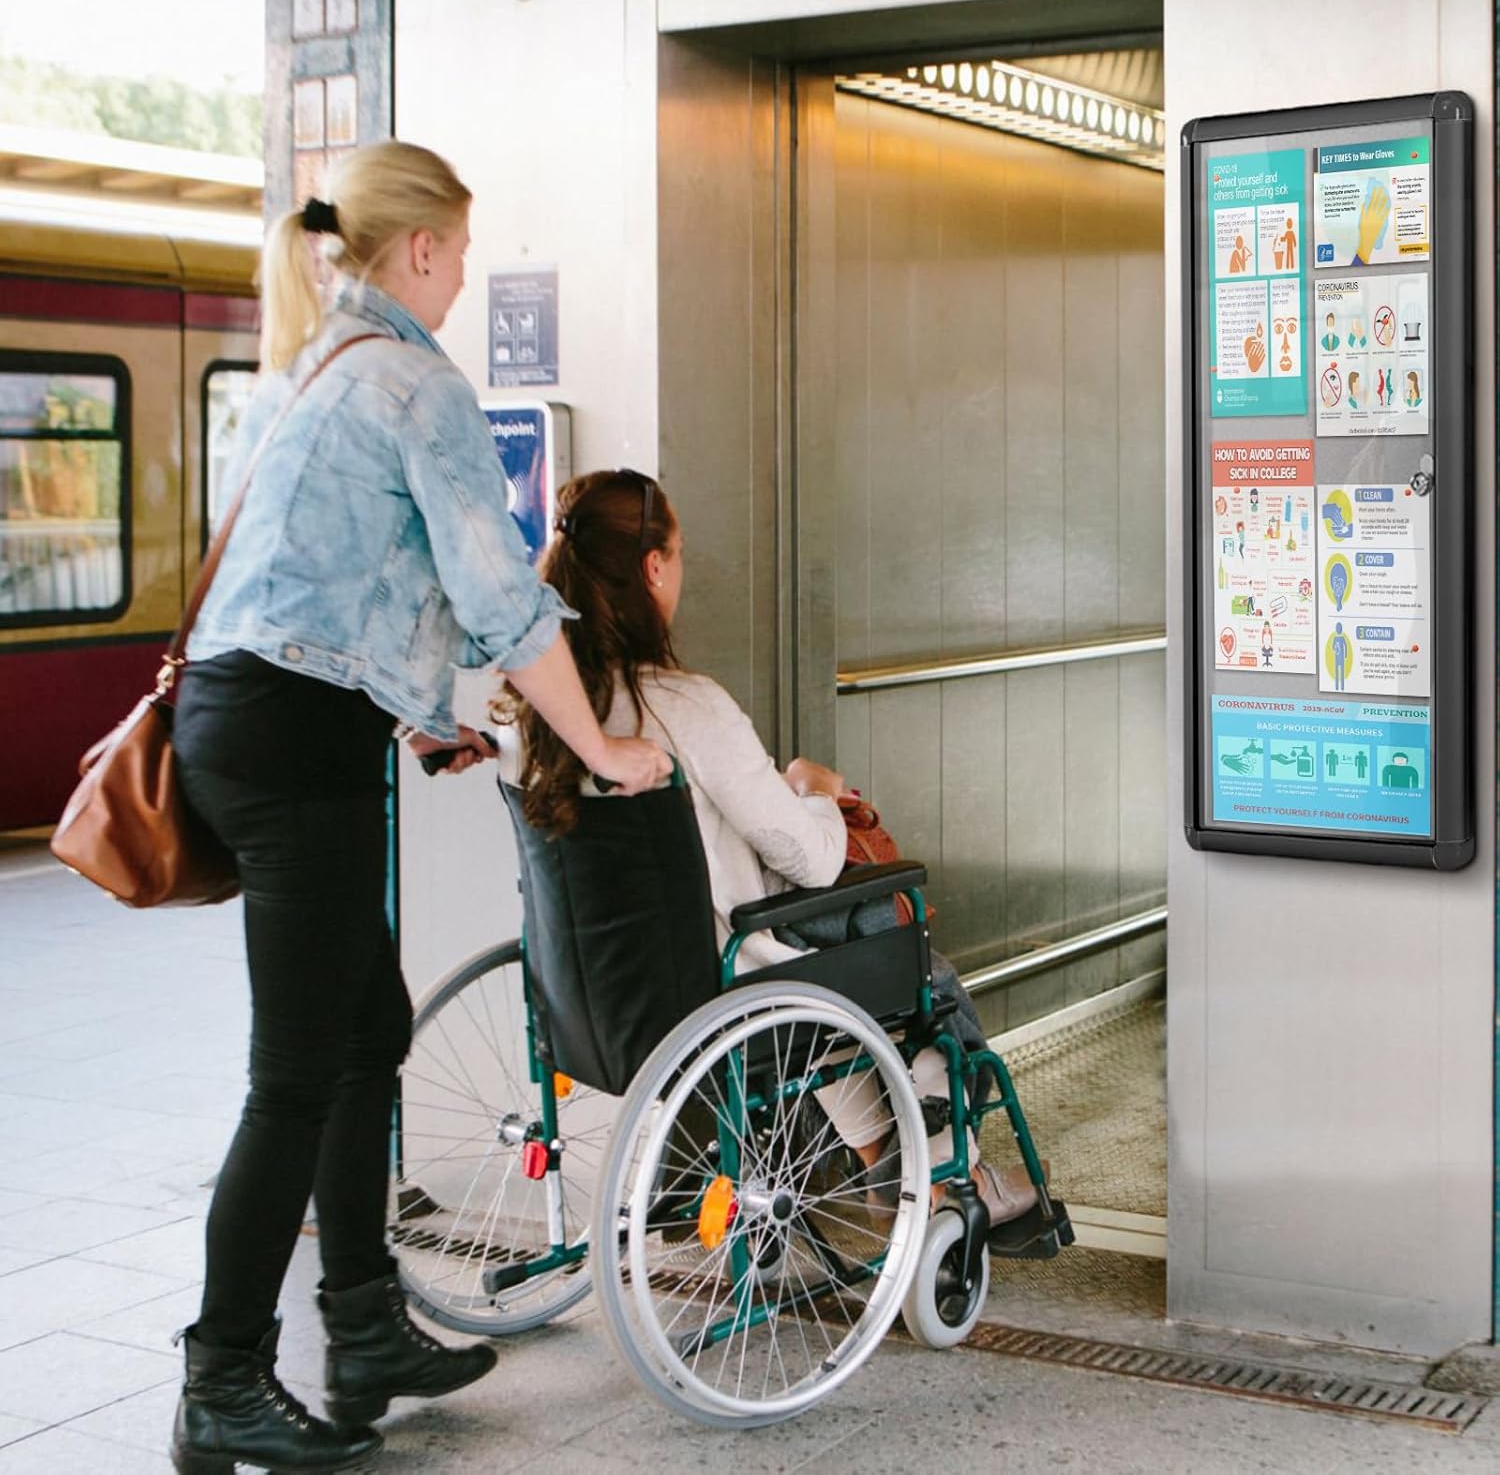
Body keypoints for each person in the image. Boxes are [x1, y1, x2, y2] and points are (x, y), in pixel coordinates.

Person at [168, 145, 669, 1475]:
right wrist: (602, 747)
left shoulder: (312, 369)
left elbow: (324, 588)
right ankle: (221, 1375)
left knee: (365, 1031)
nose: (464, 275)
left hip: (262, 721)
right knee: (296, 1075)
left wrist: (417, 711)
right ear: (432, 249)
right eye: (463, 252)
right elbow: (501, 597)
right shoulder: (414, 380)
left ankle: (365, 1320)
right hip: (287, 742)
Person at [494, 468, 1041, 1231]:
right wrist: (814, 788)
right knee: (902, 953)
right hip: (723, 988)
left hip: (591, 1001)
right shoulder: (683, 706)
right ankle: (956, 1175)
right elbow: (811, 861)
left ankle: (888, 1155)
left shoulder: (532, 720)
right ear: (654, 567)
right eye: (677, 553)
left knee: (828, 964)